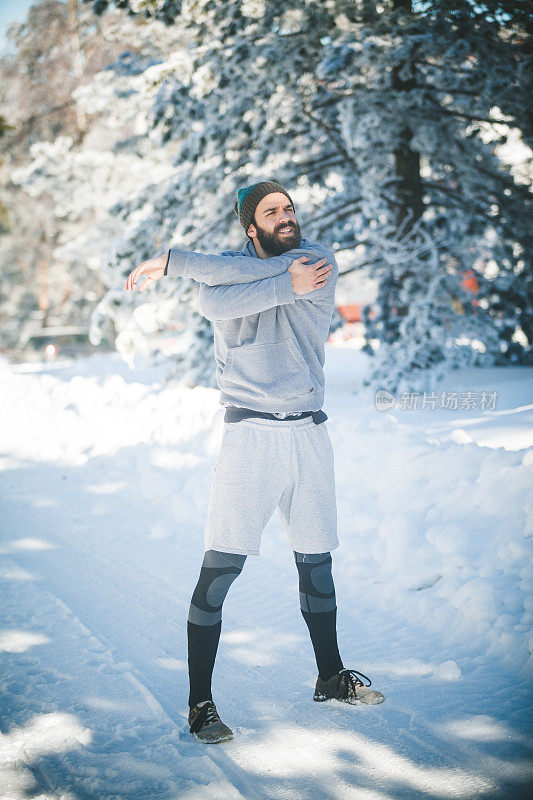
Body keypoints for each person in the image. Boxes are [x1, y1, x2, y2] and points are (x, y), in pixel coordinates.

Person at [125, 180, 385, 744]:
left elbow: (234, 279)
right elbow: (215, 293)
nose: (287, 216)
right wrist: (185, 264)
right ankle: (200, 704)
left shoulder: (317, 262)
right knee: (220, 570)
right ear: (252, 228)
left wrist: (188, 265)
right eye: (273, 212)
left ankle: (330, 677)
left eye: (289, 207)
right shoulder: (218, 287)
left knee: (317, 562)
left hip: (309, 435)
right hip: (249, 438)